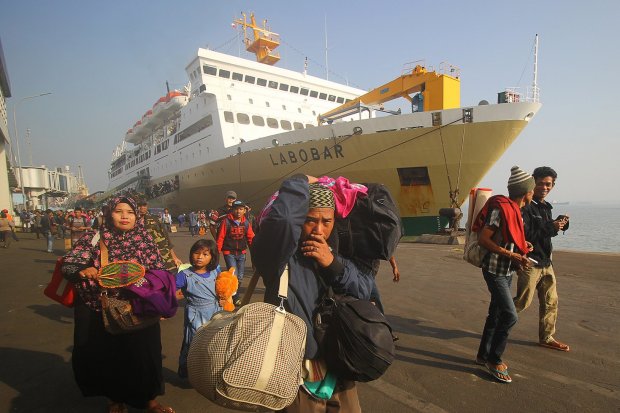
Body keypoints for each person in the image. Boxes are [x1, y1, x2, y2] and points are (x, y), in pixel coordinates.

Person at [251, 175, 374, 412]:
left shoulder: (335, 252)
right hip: (294, 367)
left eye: (326, 221)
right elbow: (284, 219)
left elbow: (364, 289)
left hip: (339, 362)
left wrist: (333, 264)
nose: (319, 229)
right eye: (310, 220)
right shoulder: (280, 254)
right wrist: (299, 181)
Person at [61, 196, 175, 413]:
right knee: (108, 356)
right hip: (99, 305)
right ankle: (114, 399)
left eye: (130, 212)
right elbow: (69, 263)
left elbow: (161, 270)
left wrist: (144, 280)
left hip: (138, 306)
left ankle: (149, 400)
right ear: (108, 213)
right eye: (119, 211)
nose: (124, 216)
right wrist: (83, 270)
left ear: (137, 216)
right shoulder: (95, 237)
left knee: (145, 354)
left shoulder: (145, 239)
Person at [473, 166, 535, 384]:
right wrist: (512, 254)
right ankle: (495, 359)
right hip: (495, 270)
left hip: (506, 269)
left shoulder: (514, 210)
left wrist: (521, 246)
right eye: (532, 190)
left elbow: (507, 236)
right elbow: (484, 239)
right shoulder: (502, 209)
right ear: (525, 192)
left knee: (496, 313)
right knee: (510, 315)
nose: (533, 193)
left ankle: (482, 355)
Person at [514, 166, 570, 352]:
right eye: (541, 184)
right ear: (533, 183)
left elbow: (546, 231)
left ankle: (546, 337)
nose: (545, 188)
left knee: (550, 301)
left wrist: (560, 224)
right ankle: (496, 325)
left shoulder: (546, 207)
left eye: (549, 184)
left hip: (547, 261)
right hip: (530, 262)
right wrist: (551, 227)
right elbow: (526, 235)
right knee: (522, 302)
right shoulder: (526, 206)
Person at [176, 239, 222, 378]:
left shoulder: (216, 270)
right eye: (197, 253)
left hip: (215, 312)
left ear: (212, 257)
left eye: (205, 254)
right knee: (193, 343)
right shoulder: (184, 275)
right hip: (196, 314)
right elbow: (171, 293)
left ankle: (208, 371)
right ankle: (187, 370)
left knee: (213, 342)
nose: (200, 257)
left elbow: (222, 287)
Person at [216, 200, 255, 305]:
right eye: (236, 209)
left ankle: (232, 293)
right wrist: (216, 253)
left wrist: (255, 249)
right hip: (229, 253)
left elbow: (251, 237)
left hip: (242, 253)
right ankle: (235, 297)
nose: (238, 211)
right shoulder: (226, 222)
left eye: (241, 209)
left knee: (241, 276)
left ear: (244, 210)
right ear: (232, 210)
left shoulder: (246, 222)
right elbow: (220, 238)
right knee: (234, 275)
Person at [137, 200, 183, 272]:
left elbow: (166, 238)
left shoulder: (155, 219)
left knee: (171, 274)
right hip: (144, 258)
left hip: (163, 254)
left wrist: (174, 257)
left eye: (144, 205)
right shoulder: (132, 221)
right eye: (139, 205)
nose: (142, 208)